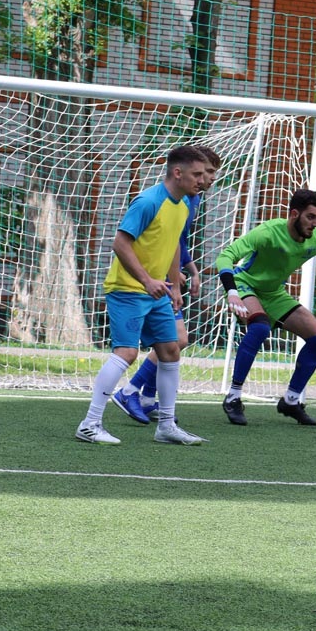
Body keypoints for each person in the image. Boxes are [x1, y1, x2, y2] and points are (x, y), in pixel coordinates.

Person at [75, 144, 210, 445]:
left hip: (157, 291)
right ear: (178, 173)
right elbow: (120, 243)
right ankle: (89, 424)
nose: (203, 180)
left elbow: (173, 247)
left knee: (171, 350)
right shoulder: (148, 201)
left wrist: (174, 286)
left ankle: (166, 426)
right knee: (127, 353)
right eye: (197, 174)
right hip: (127, 290)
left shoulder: (183, 205)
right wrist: (147, 280)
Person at [217, 187, 316, 427]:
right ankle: (233, 397)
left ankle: (291, 401)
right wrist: (232, 292)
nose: (315, 223)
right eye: (310, 217)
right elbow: (225, 256)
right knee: (260, 328)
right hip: (245, 285)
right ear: (294, 214)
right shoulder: (268, 232)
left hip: (273, 293)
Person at [111, 146, 222, 425]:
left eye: (210, 173)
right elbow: (129, 242)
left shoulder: (189, 200)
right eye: (204, 172)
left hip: (163, 281)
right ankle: (125, 396)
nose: (208, 179)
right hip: (139, 285)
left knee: (174, 344)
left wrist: (187, 272)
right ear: (181, 172)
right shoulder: (159, 199)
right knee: (135, 350)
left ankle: (146, 399)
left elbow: (175, 241)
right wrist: (170, 279)